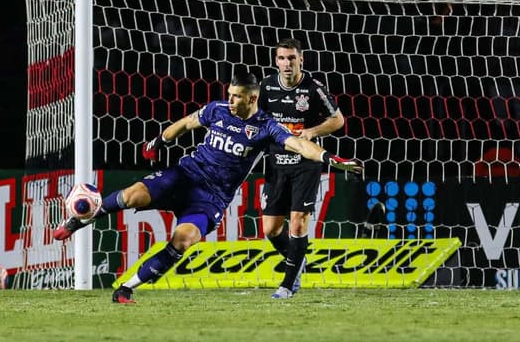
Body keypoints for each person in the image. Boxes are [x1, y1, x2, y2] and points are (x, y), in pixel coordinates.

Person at [53, 71, 361, 303]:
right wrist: (159, 141)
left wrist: (330, 159)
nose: (231, 99)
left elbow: (297, 145)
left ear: (252, 99)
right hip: (186, 175)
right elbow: (187, 123)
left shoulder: (267, 127)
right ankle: (77, 221)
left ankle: (124, 289)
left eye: (237, 96)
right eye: (230, 94)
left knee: (183, 241)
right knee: (133, 194)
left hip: (212, 199)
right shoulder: (217, 110)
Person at [257, 38, 345, 299]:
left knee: (297, 223)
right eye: (282, 58)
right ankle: (297, 261)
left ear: (301, 59)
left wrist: (312, 132)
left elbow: (338, 120)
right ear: (276, 61)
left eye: (291, 58)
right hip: (275, 163)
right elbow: (258, 118)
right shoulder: (266, 86)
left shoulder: (314, 88)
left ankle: (287, 284)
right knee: (270, 229)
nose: (287, 63)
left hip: (305, 164)